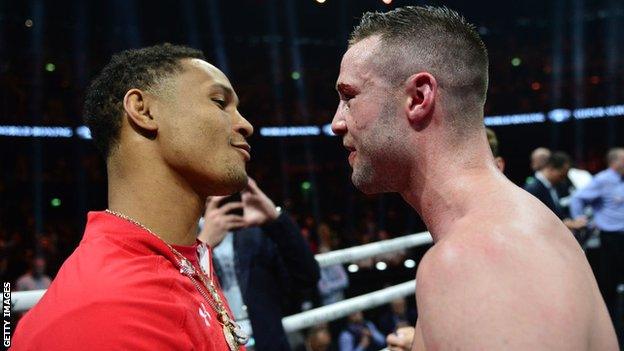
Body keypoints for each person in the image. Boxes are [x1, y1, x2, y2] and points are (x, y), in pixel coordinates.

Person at [330, 6, 617, 350]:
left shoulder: (477, 260)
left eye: (349, 97)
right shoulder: (522, 226)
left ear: (418, 97)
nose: (337, 122)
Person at [12, 43, 254, 350]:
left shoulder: (186, 260)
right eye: (220, 102)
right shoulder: (101, 316)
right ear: (143, 110)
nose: (245, 124)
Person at [198, 177, 320, 351]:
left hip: (268, 342)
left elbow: (308, 277)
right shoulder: (183, 240)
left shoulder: (255, 234)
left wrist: (277, 219)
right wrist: (203, 245)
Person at [570, 148, 624, 326]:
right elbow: (577, 198)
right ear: (615, 162)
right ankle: (610, 326)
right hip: (610, 238)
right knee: (609, 287)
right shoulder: (603, 179)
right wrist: (580, 219)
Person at [524, 151, 587, 231]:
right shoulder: (532, 189)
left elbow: (557, 212)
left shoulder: (554, 185)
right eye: (561, 176)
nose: (562, 180)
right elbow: (536, 220)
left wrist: (569, 222)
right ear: (551, 168)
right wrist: (570, 224)